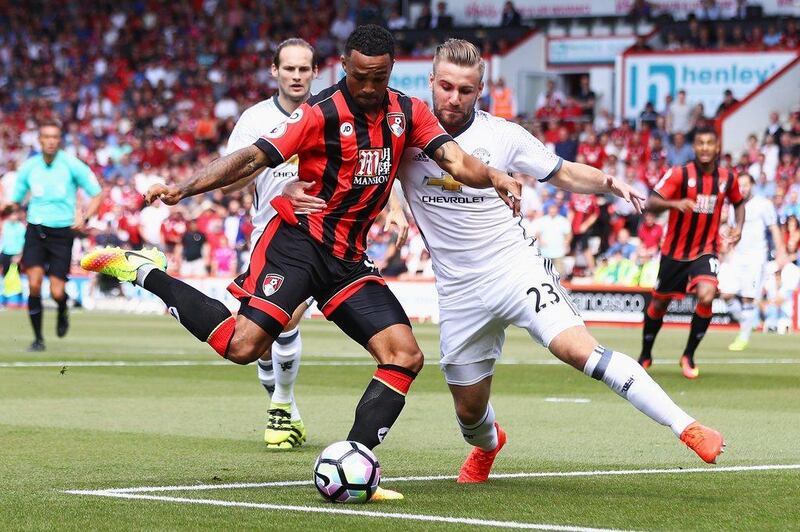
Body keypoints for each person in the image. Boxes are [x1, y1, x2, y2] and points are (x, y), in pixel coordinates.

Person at [81, 25, 520, 500]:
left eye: (379, 77)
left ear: (391, 71)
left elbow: (455, 160)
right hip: (297, 245)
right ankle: (145, 270)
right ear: (343, 69)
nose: (369, 88)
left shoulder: (408, 111)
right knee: (242, 346)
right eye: (359, 78)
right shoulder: (319, 113)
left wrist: (493, 173)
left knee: (404, 356)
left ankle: (357, 462)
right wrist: (183, 188)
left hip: (348, 258)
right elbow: (250, 159)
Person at [289, 39, 726, 484]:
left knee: (577, 350)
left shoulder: (502, 135)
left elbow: (565, 171)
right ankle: (490, 444)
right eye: (445, 87)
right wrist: (394, 206)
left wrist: (612, 182)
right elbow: (370, 169)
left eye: (465, 90)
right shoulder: (404, 129)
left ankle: (685, 425)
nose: (454, 98)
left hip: (515, 269)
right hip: (458, 291)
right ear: (430, 83)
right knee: (469, 412)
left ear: (480, 90)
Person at [221, 38, 319, 450]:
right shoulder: (255, 119)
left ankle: (280, 405)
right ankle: (288, 404)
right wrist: (270, 156)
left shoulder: (328, 112)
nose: (297, 76)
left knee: (288, 319)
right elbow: (232, 178)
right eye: (290, 69)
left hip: (316, 236)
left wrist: (394, 208)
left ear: (315, 72)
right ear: (274, 71)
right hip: (267, 235)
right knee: (260, 342)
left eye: (304, 69)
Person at [639, 127, 745, 379]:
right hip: (674, 252)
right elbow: (650, 201)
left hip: (706, 251)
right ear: (694, 147)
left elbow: (739, 203)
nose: (705, 148)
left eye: (710, 143)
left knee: (707, 296)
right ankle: (645, 355)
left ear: (717, 147)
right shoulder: (679, 173)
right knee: (659, 303)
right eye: (700, 143)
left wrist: (738, 227)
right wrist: (674, 203)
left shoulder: (727, 178)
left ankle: (688, 355)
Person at [7, 119, 102, 351]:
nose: (51, 141)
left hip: (62, 233)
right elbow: (15, 201)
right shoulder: (29, 167)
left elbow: (97, 193)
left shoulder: (72, 165)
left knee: (57, 291)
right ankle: (38, 339)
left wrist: (85, 217)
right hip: (36, 229)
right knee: (35, 284)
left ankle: (62, 308)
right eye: (46, 137)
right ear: (39, 141)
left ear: (60, 141)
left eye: (55, 137)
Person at [719, 174, 786, 351]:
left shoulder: (764, 204)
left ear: (752, 185)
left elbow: (774, 228)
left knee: (749, 297)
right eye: (740, 185)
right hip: (736, 255)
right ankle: (747, 323)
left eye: (746, 185)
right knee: (725, 294)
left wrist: (781, 252)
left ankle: (743, 336)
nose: (743, 188)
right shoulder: (734, 206)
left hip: (756, 257)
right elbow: (734, 229)